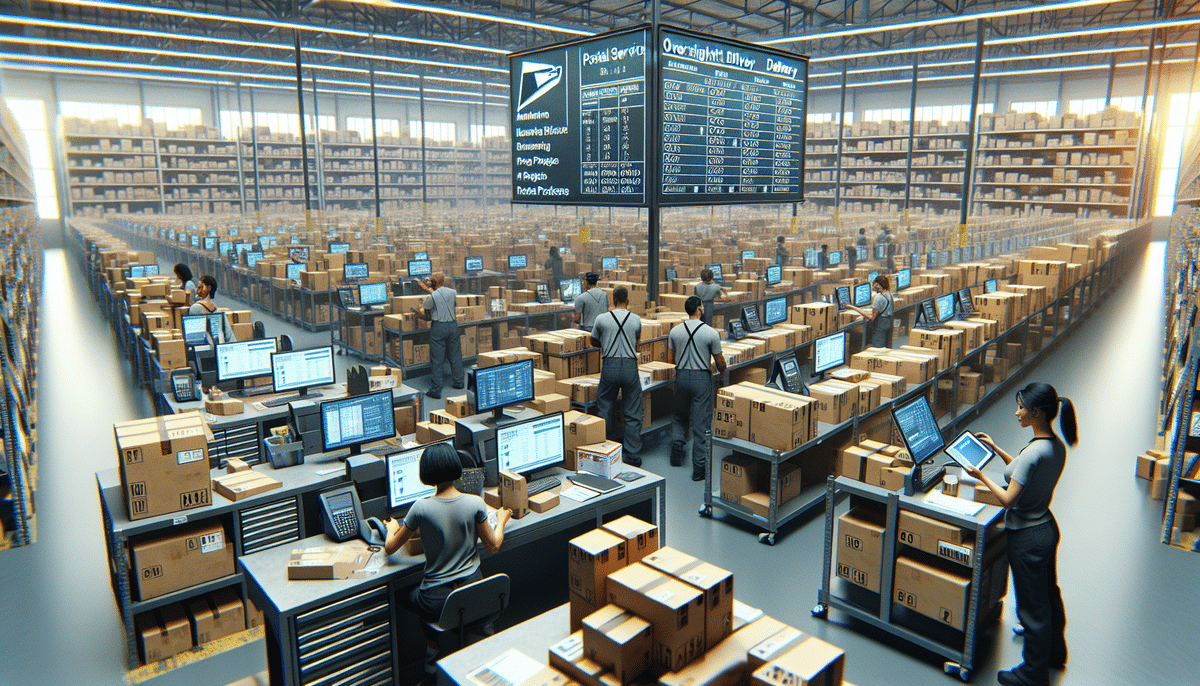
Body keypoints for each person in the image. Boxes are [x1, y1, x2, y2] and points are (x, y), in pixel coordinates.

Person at [962, 383, 1075, 686]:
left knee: (1031, 608)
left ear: (1036, 412)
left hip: (1027, 537)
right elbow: (1025, 471)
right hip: (1047, 528)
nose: (1017, 412)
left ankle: (1032, 673)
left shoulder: (1032, 454)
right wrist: (997, 449)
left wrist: (980, 475)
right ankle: (1055, 654)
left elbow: (1009, 499)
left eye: (1022, 407)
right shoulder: (1054, 446)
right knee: (1049, 595)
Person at [383, 443, 512, 668]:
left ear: (426, 473)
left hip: (436, 603)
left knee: (404, 594)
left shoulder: (420, 508)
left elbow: (391, 548)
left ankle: (432, 648)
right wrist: (501, 520)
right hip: (473, 592)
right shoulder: (475, 503)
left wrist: (391, 529)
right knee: (457, 605)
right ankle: (463, 642)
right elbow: (493, 545)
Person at [668, 296, 727, 481]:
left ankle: (676, 448)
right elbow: (720, 363)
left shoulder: (675, 331)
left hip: (682, 377)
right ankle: (699, 468)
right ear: (699, 310)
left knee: (679, 415)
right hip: (701, 379)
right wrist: (720, 367)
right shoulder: (711, 333)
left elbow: (670, 360)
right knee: (701, 423)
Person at [590, 286, 643, 466]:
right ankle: (633, 455)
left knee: (605, 407)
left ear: (612, 301)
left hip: (609, 366)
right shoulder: (636, 319)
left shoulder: (602, 319)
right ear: (627, 300)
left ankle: (605, 452)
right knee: (633, 410)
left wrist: (605, 343)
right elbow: (637, 341)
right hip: (629, 366)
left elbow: (593, 340)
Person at [414, 271, 463, 399]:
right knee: (455, 355)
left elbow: (428, 317)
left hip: (439, 327)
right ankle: (459, 382)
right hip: (453, 326)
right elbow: (452, 305)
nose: (428, 282)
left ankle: (436, 389)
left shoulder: (430, 298)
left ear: (435, 282)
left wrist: (419, 315)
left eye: (430, 280)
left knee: (437, 359)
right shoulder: (453, 292)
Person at [845, 274, 894, 348]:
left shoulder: (878, 298)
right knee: (885, 345)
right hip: (887, 322)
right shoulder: (889, 294)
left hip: (880, 326)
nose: (874, 287)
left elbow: (872, 318)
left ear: (878, 285)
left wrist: (853, 308)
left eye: (875, 285)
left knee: (878, 348)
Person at [188, 275, 235, 342]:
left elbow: (192, 337)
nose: (198, 290)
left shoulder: (195, 308)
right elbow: (228, 336)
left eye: (200, 287)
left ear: (209, 288)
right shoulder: (219, 312)